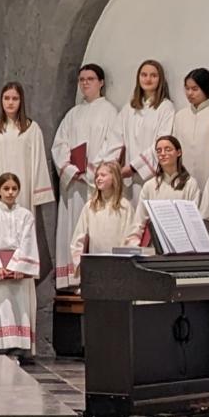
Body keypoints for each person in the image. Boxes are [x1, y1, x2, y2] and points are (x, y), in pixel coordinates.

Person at [51, 64, 122, 287]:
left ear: (101, 82)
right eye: (81, 79)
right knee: (73, 230)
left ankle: (92, 280)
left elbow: (114, 144)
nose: (85, 83)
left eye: (90, 79)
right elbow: (59, 145)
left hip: (95, 184)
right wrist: (72, 170)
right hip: (74, 184)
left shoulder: (110, 112)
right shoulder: (73, 114)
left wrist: (92, 170)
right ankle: (72, 279)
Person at [0, 84, 54, 278]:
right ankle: (0, 269)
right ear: (1, 100)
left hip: (23, 192)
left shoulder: (32, 129)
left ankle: (22, 269)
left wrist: (38, 194)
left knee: (23, 231)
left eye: (14, 98)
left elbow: (39, 162)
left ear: (21, 101)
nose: (10, 102)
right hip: (0, 193)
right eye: (6, 98)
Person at [0, 173, 41, 361]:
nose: (10, 192)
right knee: (0, 308)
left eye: (14, 188)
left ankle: (19, 349)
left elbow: (28, 241)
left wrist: (19, 266)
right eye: (6, 188)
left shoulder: (26, 215)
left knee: (19, 308)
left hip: (18, 273)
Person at [65, 160, 140, 288]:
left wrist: (126, 264)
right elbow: (79, 238)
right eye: (97, 176)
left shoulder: (124, 206)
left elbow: (131, 238)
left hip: (119, 269)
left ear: (114, 178)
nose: (98, 178)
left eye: (103, 175)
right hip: (96, 269)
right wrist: (80, 264)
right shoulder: (90, 207)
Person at [121, 60, 176, 183]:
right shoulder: (129, 108)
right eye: (144, 75)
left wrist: (135, 166)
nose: (148, 79)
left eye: (153, 75)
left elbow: (162, 142)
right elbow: (115, 138)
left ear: (160, 79)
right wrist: (112, 166)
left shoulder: (166, 107)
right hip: (127, 175)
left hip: (151, 173)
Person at [173, 68, 209, 173]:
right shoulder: (180, 116)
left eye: (195, 89)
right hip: (185, 172)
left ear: (206, 89)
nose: (189, 93)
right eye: (187, 88)